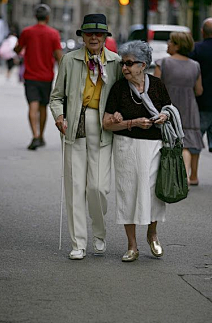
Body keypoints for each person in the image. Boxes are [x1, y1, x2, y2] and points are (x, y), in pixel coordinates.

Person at [50, 14, 122, 260]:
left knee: (98, 188)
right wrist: (59, 116)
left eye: (98, 34)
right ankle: (78, 242)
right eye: (89, 33)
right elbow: (56, 96)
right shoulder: (69, 60)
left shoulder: (116, 62)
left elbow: (125, 96)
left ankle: (99, 234)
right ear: (82, 36)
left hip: (103, 127)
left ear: (104, 37)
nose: (94, 38)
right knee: (75, 187)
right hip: (74, 125)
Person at [103, 40, 171, 262]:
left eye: (129, 63)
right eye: (123, 63)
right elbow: (106, 123)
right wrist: (129, 122)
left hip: (154, 146)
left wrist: (164, 116)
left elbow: (169, 111)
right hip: (126, 147)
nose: (124, 68)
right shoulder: (119, 88)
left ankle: (152, 234)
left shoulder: (158, 85)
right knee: (128, 193)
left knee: (153, 193)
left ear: (143, 65)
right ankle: (132, 245)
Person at [154, 32, 204, 184]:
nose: (167, 44)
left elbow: (155, 88)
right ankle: (186, 175)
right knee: (186, 144)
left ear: (177, 45)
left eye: (170, 41)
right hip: (189, 108)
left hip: (167, 108)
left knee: (165, 141)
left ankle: (166, 177)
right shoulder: (195, 65)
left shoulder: (162, 63)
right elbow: (199, 90)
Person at [14, 4, 62, 150]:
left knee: (32, 105)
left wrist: (17, 47)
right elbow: (59, 56)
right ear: (48, 17)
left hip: (30, 75)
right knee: (43, 107)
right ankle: (41, 136)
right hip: (46, 76)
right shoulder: (53, 34)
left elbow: (18, 49)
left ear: (35, 16)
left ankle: (34, 136)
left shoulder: (27, 32)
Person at [189, 18, 212, 191]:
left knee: (196, 139)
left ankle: (194, 176)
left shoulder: (196, 49)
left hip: (200, 102)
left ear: (202, 32)